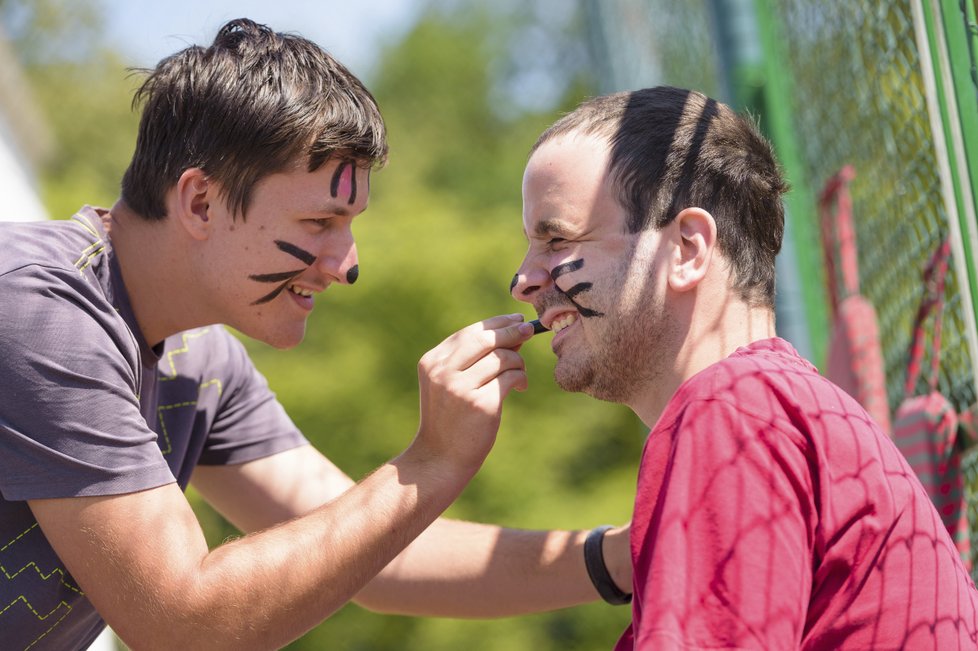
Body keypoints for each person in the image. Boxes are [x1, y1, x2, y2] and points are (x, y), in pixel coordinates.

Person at [0, 19, 631, 650]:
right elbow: (183, 622)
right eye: (319, 221)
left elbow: (378, 557)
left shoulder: (200, 361)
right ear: (199, 203)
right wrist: (433, 460)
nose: (348, 264)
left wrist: (627, 556)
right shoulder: (39, 309)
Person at [510, 85, 978, 649]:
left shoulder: (731, 411)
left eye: (556, 239)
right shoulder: (771, 404)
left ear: (687, 249)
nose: (523, 281)